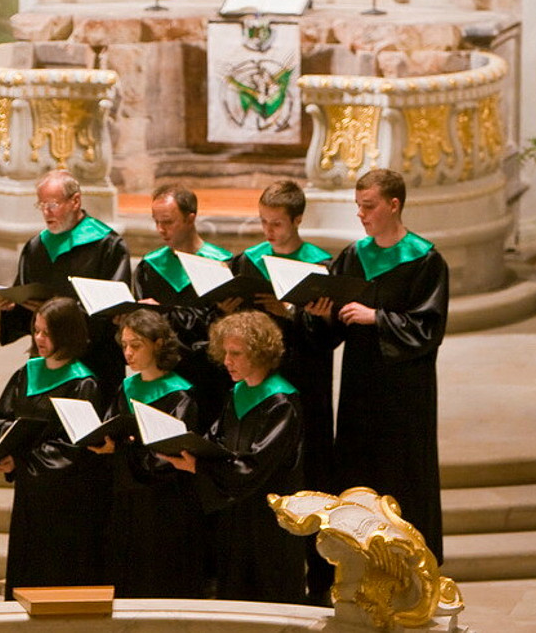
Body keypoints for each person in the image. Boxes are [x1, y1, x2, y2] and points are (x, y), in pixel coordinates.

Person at [303, 168, 449, 562]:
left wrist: (377, 318)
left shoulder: (426, 260)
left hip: (404, 390)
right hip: (359, 385)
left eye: (368, 207)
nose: (361, 215)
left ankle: (411, 561)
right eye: (358, 207)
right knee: (357, 470)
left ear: (394, 205)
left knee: (402, 473)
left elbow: (428, 328)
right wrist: (322, 314)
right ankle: (357, 558)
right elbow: (334, 325)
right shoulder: (354, 256)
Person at [228, 179, 337, 603]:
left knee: (308, 478)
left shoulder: (319, 265)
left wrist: (291, 312)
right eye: (263, 222)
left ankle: (318, 578)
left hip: (304, 385)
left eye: (276, 223)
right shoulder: (251, 261)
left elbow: (328, 338)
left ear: (297, 220)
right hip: (259, 386)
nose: (269, 231)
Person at [161, 310, 306, 604]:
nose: (226, 361)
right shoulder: (238, 392)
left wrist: (200, 465)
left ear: (261, 353)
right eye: (225, 352)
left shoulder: (281, 403)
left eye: (236, 353)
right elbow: (216, 440)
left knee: (267, 596)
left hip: (269, 520)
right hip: (237, 514)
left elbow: (254, 466)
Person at [0, 297, 111, 591]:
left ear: (67, 334)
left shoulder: (83, 383)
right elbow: (1, 417)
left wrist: (22, 459)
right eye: (37, 330)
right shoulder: (27, 372)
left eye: (47, 332)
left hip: (66, 500)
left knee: (54, 573)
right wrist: (5, 448)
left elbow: (74, 446)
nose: (39, 338)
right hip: (30, 493)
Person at [92, 308, 204, 598]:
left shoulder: (179, 393)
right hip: (125, 496)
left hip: (161, 501)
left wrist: (125, 448)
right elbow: (112, 428)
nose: (128, 353)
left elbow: (168, 453)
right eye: (125, 345)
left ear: (157, 344)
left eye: (136, 346)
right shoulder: (128, 386)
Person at [0, 169, 131, 400]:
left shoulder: (107, 245)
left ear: (75, 201)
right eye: (41, 205)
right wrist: (11, 305)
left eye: (53, 204)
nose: (46, 212)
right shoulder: (37, 246)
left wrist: (63, 317)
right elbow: (24, 295)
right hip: (47, 355)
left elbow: (114, 308)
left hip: (94, 356)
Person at [132, 184, 233, 430]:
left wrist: (164, 312)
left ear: (191, 218)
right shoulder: (150, 267)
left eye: (168, 221)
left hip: (209, 373)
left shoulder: (221, 264)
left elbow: (221, 325)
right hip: (164, 372)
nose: (160, 230)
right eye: (156, 222)